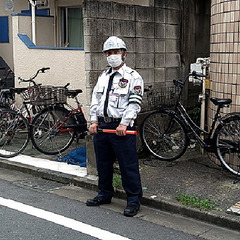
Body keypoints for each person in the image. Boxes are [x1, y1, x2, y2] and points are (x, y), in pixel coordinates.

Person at [86, 36, 144, 217]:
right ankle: (104, 193)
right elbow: (95, 100)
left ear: (124, 54)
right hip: (102, 127)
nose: (112, 56)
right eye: (108, 53)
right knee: (103, 164)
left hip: (121, 129)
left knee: (128, 166)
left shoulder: (133, 77)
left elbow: (134, 104)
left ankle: (133, 200)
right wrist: (94, 121)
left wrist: (124, 124)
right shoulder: (103, 76)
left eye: (116, 52)